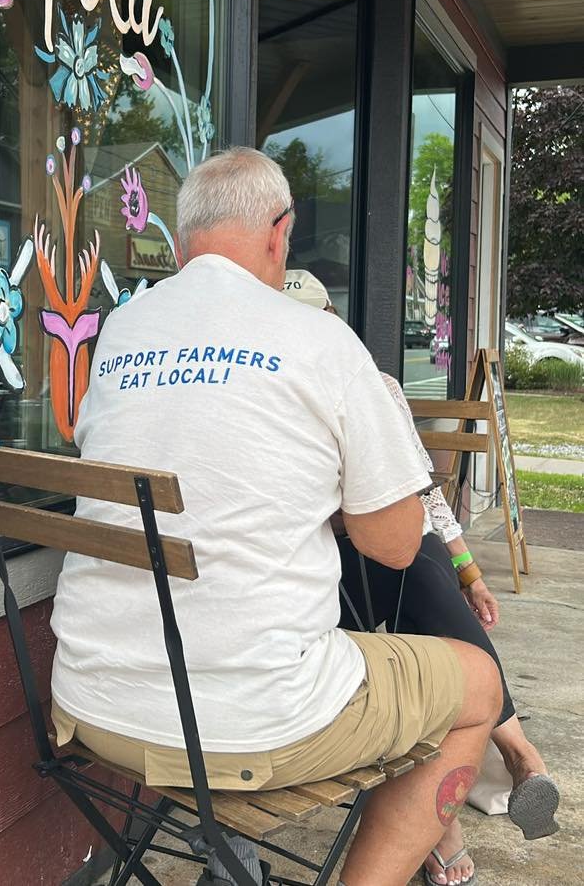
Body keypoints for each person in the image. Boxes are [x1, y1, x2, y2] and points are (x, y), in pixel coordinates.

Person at [49, 148, 502, 886]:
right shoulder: (320, 342)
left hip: (90, 700)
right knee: (477, 683)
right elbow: (393, 547)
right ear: (278, 231)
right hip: (248, 723)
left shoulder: (120, 336)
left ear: (183, 240)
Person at [284, 270, 560, 886]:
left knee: (423, 566)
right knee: (410, 576)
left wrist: (470, 573)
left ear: (334, 322)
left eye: (322, 320)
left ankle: (470, 799)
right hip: (315, 588)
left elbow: (422, 497)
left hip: (378, 570)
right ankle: (507, 758)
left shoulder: (375, 387)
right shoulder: (273, 391)